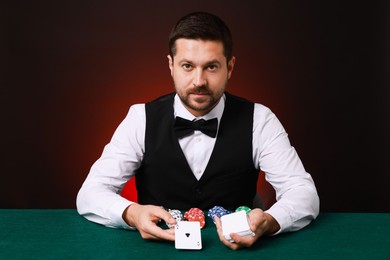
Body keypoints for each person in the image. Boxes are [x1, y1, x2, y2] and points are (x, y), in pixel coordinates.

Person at [76, 11, 319, 250]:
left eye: (211, 67)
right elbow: (90, 193)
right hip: (156, 252)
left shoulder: (260, 119)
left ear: (230, 67)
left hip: (239, 252)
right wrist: (131, 213)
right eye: (187, 66)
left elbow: (302, 192)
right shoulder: (140, 118)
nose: (199, 81)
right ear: (171, 66)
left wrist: (269, 221)